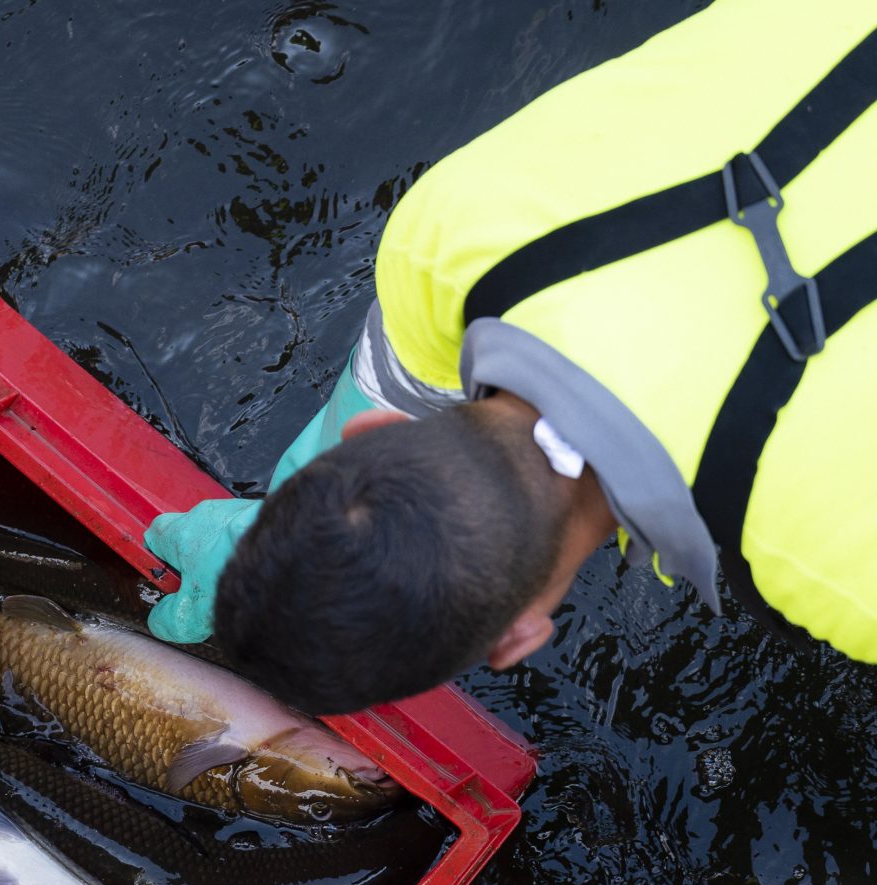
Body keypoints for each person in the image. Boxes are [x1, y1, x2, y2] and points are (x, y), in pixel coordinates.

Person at [144, 0, 877, 716]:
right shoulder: (449, 238)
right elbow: (386, 385)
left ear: (521, 636)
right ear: (370, 436)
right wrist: (280, 537)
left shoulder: (844, 576)